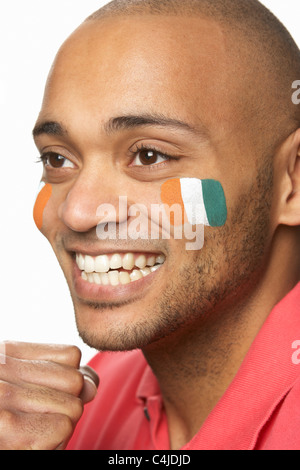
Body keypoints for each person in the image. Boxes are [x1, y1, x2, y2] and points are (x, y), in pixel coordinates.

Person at [1, 0, 300, 450]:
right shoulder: (87, 400)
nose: (78, 212)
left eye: (149, 155)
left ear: (292, 182)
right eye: (57, 159)